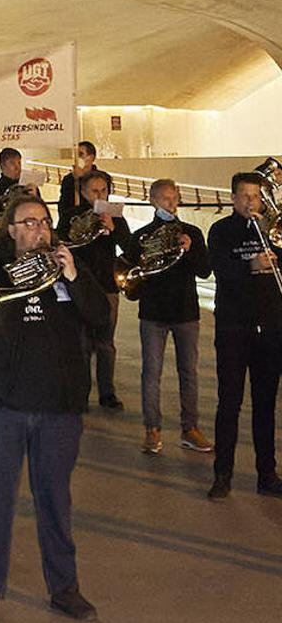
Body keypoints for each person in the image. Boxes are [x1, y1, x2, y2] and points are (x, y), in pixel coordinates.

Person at [0, 194, 109, 622]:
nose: (39, 228)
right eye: (29, 222)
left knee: (56, 501)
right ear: (10, 230)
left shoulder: (66, 268)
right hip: (1, 405)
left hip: (58, 406)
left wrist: (73, 277)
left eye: (44, 221)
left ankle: (65, 588)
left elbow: (100, 319)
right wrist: (4, 300)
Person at [121, 179, 212, 455]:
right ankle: (152, 429)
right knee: (151, 373)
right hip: (153, 313)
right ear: (152, 201)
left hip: (186, 312)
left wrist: (190, 249)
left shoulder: (192, 233)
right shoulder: (141, 237)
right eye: (164, 199)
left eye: (173, 198)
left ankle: (190, 428)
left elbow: (205, 271)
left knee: (189, 373)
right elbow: (131, 283)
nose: (170, 203)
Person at [207, 171, 282, 500]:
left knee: (265, 405)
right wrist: (251, 264)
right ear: (234, 198)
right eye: (245, 196)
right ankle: (222, 474)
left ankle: (267, 474)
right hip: (234, 327)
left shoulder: (274, 230)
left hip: (271, 329)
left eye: (256, 196)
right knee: (230, 403)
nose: (252, 202)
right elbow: (220, 270)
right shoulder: (221, 231)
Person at [56, 171, 130, 411]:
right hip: (79, 287)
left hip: (107, 286)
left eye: (104, 191)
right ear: (83, 193)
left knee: (106, 343)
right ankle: (81, 393)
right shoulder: (70, 217)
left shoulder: (116, 217)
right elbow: (62, 242)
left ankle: (108, 393)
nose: (100, 195)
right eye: (95, 191)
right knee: (81, 343)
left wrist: (114, 229)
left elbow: (129, 248)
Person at [58, 141, 112, 218]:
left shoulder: (104, 177)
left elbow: (101, 202)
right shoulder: (69, 179)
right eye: (76, 155)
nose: (77, 159)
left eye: (81, 155)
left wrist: (81, 178)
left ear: (91, 158)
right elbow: (63, 204)